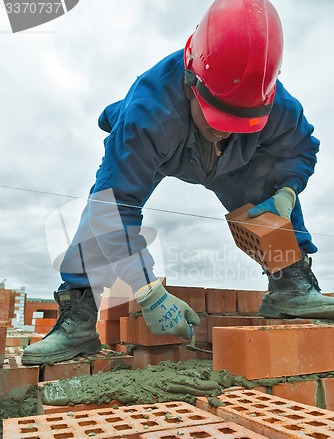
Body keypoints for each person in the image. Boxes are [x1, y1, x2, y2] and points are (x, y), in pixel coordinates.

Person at [22, 0, 334, 366]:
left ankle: (290, 284)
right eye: (218, 118)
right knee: (101, 208)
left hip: (238, 161)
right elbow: (115, 206)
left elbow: (300, 150)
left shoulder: (279, 105)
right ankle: (78, 316)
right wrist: (148, 290)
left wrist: (287, 190)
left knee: (271, 184)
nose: (222, 133)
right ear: (192, 81)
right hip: (169, 145)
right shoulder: (148, 113)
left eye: (238, 121)